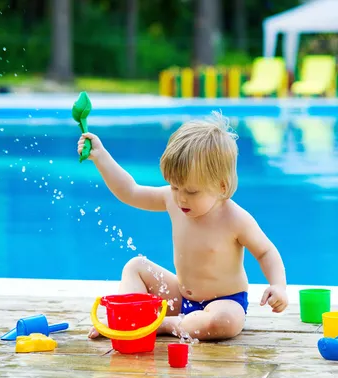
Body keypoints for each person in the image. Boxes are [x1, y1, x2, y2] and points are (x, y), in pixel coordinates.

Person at [78, 111, 288, 341]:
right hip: (180, 295)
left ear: (221, 186)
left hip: (223, 303)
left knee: (224, 323)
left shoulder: (235, 219)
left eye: (191, 191)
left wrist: (278, 285)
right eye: (175, 187)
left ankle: (162, 324)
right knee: (135, 266)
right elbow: (130, 191)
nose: (181, 198)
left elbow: (266, 251)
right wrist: (100, 156)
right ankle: (128, 317)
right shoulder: (172, 199)